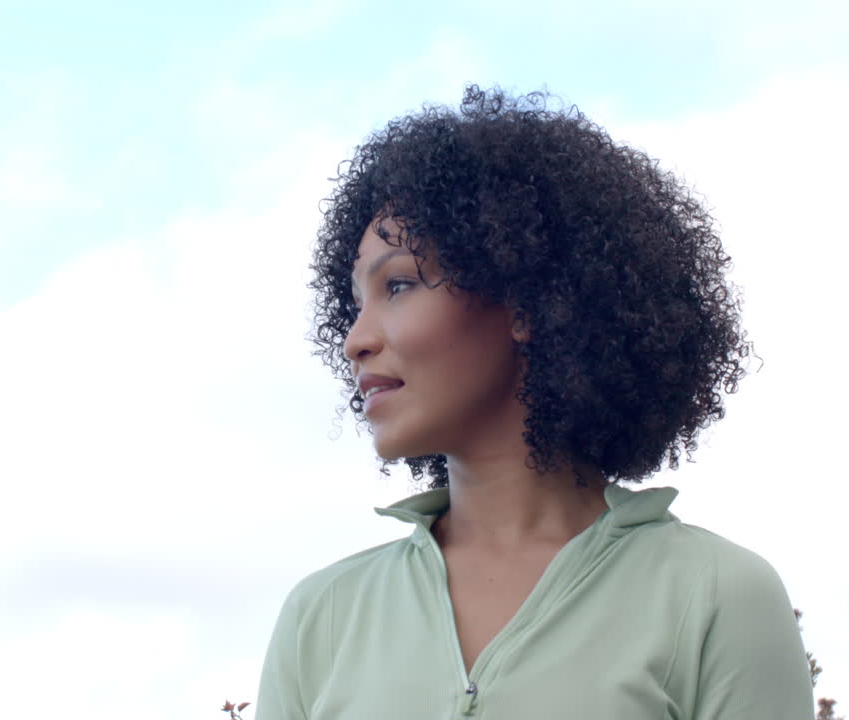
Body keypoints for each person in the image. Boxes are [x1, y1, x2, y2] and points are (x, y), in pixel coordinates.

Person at [256, 85, 815, 719]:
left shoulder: (717, 596)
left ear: (526, 304)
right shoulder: (322, 616)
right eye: (356, 303)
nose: (356, 340)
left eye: (400, 284)